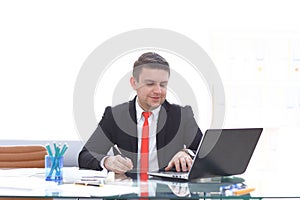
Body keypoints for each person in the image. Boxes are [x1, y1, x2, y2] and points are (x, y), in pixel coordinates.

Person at [78, 52, 203, 175]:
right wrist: (107, 161)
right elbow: (85, 156)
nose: (158, 91)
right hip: (128, 191)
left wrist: (186, 153)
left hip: (168, 192)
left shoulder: (181, 115)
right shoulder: (115, 115)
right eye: (150, 84)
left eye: (163, 85)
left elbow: (205, 152)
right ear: (134, 83)